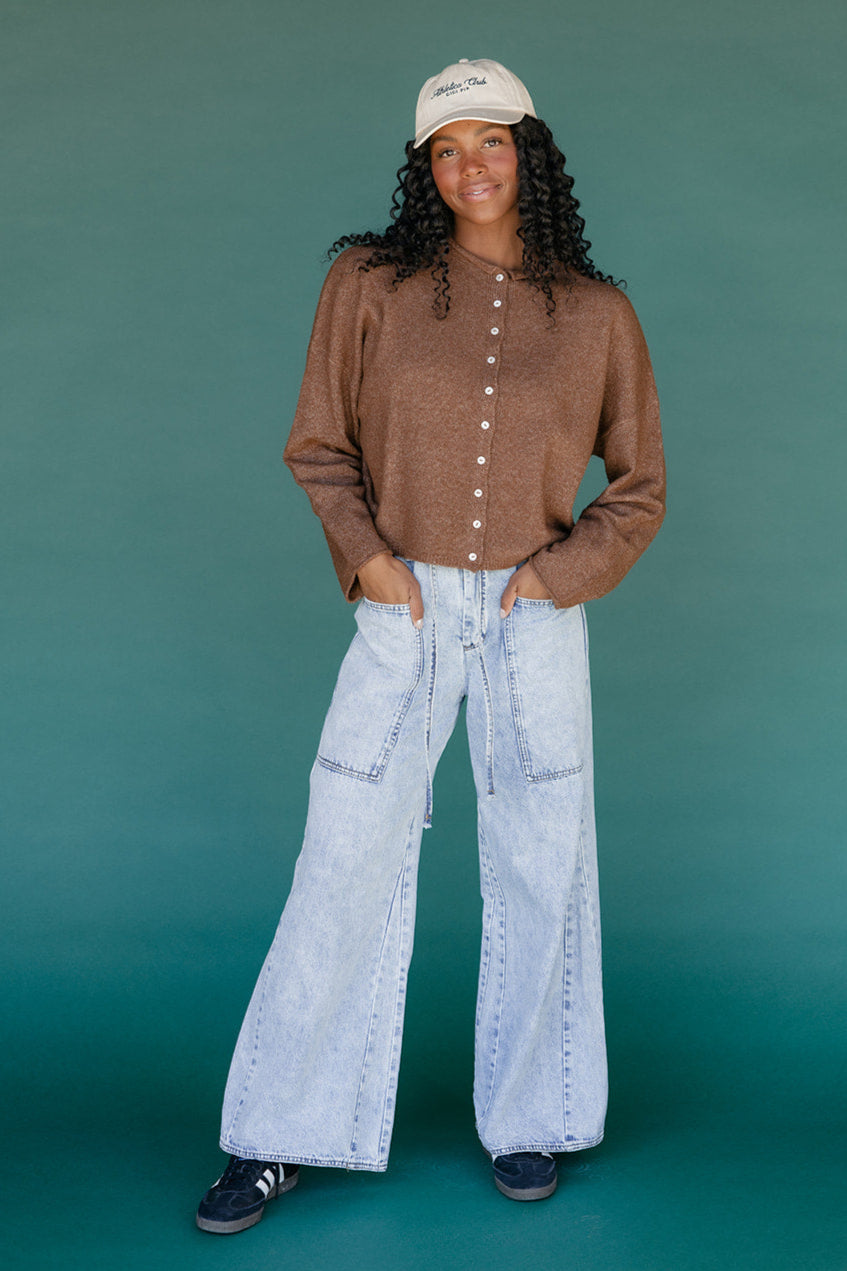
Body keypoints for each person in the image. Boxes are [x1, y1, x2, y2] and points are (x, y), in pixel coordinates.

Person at [196, 57, 665, 1234]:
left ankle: (533, 1117)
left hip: (534, 612)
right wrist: (369, 562)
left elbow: (641, 486)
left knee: (543, 852)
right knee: (345, 848)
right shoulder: (368, 284)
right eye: (445, 150)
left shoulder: (598, 314)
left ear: (531, 152)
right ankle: (274, 1133)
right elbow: (318, 445)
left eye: (491, 142)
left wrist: (554, 578)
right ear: (424, 169)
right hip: (401, 607)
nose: (471, 169)